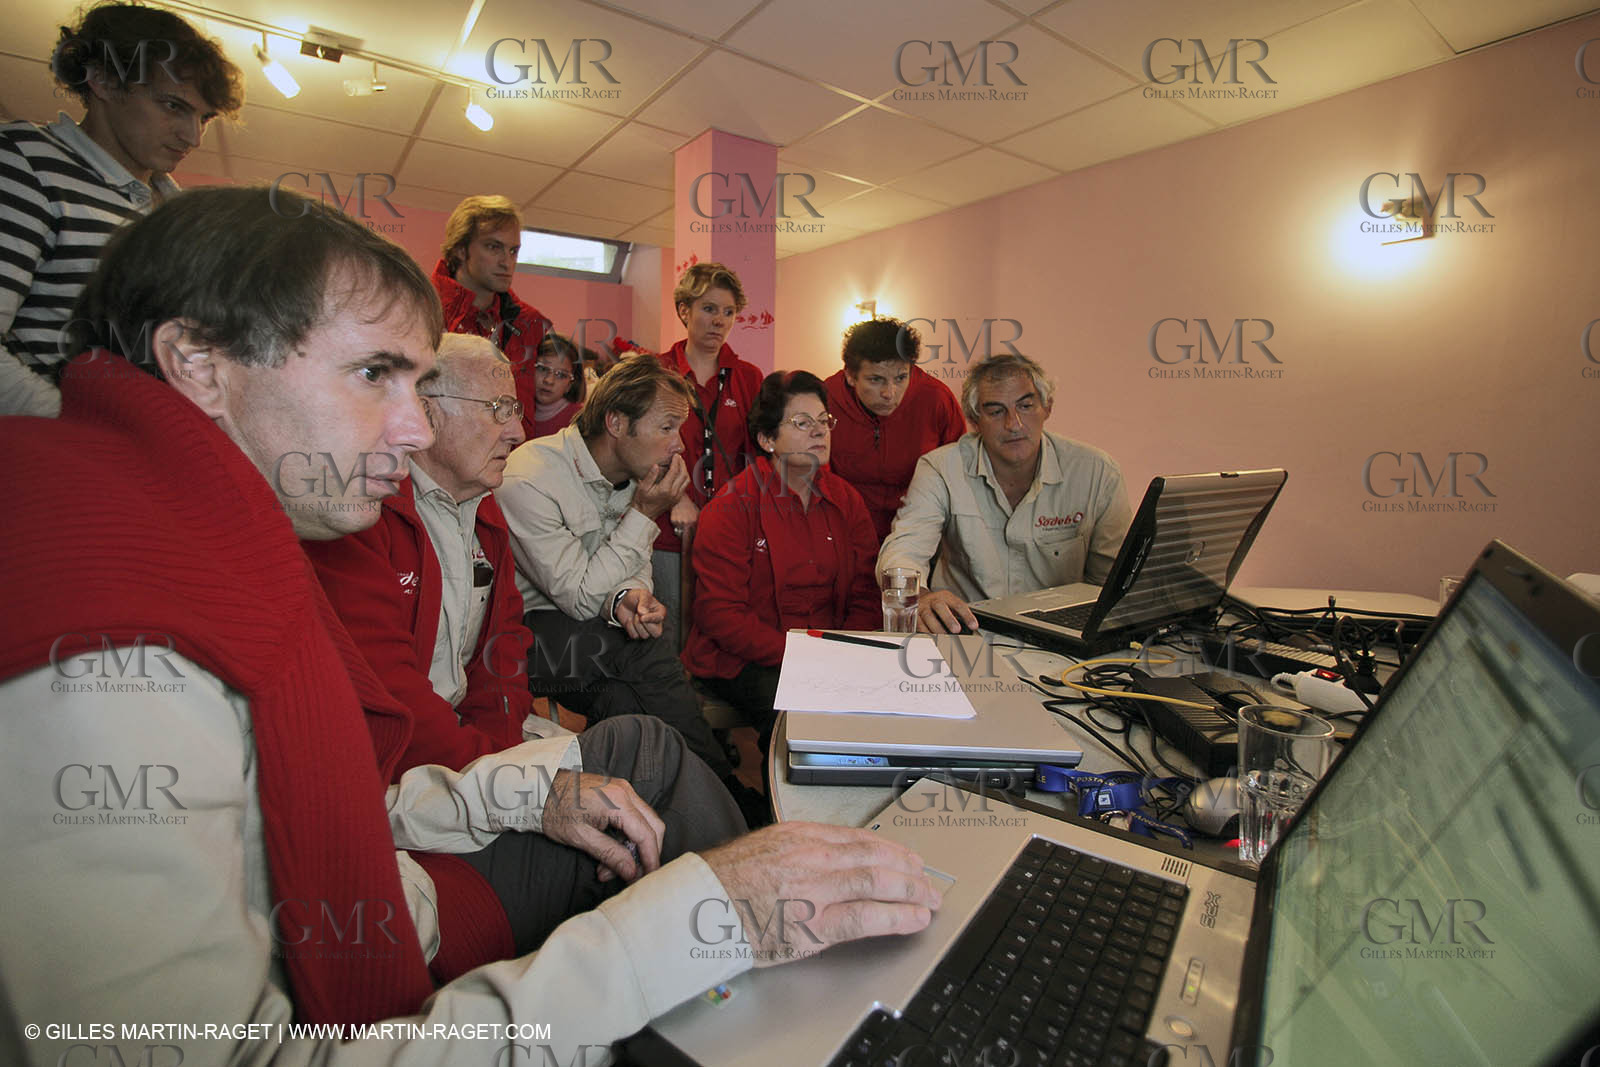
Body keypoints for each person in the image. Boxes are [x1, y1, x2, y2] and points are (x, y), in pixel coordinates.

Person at [0, 186, 940, 1064]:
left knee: (635, 734)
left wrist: (524, 794)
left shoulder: (194, 547)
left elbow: (366, 789)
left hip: (413, 861)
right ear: (198, 363)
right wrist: (691, 922)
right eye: (376, 374)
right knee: (644, 735)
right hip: (405, 914)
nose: (411, 430)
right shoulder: (102, 646)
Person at [497, 353, 771, 826]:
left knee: (626, 704)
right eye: (666, 427)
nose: (678, 445)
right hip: (523, 637)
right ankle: (728, 795)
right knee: (643, 652)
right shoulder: (532, 477)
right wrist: (644, 516)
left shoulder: (633, 475)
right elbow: (576, 596)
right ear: (617, 422)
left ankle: (659, 821)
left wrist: (634, 599)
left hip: (591, 636)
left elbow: (630, 569)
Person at [303, 333, 536, 775]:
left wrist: (499, 758)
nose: (518, 432)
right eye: (498, 410)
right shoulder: (361, 513)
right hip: (390, 766)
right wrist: (491, 775)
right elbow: (384, 692)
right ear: (427, 411)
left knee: (640, 752)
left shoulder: (485, 510)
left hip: (465, 752)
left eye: (517, 410)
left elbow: (502, 654)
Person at [0, 1, 242, 415]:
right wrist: (81, 430)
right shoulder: (25, 160)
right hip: (62, 451)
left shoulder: (178, 210)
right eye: (173, 106)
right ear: (104, 81)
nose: (194, 136)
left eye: (205, 118)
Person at [683, 371, 880, 758]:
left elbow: (866, 594)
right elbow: (721, 615)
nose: (819, 432)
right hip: (745, 660)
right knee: (803, 717)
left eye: (824, 421)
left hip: (829, 653)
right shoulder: (732, 506)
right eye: (802, 423)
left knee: (888, 705)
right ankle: (782, 811)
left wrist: (839, 652)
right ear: (767, 439)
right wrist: (804, 657)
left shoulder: (847, 500)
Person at [877, 353, 1134, 635]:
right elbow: (904, 551)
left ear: (1047, 407)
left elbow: (1113, 582)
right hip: (966, 635)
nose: (1014, 424)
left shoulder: (1097, 472)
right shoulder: (940, 468)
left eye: (1025, 406)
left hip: (1062, 642)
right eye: (996, 411)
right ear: (975, 420)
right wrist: (922, 598)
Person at [651, 262, 763, 628]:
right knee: (668, 633)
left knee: (719, 631)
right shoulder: (655, 371)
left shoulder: (748, 377)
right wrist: (676, 498)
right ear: (685, 310)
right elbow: (642, 449)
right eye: (709, 309)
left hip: (729, 530)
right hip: (668, 529)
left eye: (729, 312)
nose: (720, 321)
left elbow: (756, 455)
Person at [824, 317, 966, 543]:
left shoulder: (936, 399)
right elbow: (816, 479)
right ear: (850, 376)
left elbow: (960, 475)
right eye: (876, 380)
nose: (890, 393)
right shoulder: (825, 401)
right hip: (846, 530)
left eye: (901, 378)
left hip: (919, 529)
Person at [430, 193, 552, 441]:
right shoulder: (420, 309)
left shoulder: (529, 324)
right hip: (434, 463)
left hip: (507, 465)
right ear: (461, 250)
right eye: (493, 247)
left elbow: (527, 410)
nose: (507, 262)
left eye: (513, 250)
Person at [527, 332, 585, 438]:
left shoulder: (579, 420)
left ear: (570, 384)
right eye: (543, 369)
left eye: (561, 375)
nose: (549, 380)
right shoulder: (519, 410)